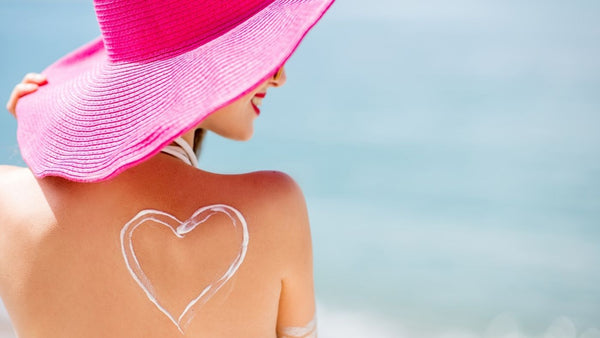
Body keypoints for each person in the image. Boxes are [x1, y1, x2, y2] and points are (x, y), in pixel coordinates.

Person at [0, 0, 334, 337]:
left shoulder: (8, 202)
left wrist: (43, 141)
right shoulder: (276, 208)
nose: (280, 76)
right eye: (257, 48)